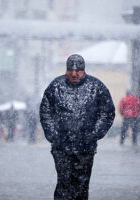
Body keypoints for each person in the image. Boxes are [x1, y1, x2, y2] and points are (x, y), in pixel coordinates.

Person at [40, 54, 115, 200]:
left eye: (78, 70)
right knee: (64, 183)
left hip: (85, 147)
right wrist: (53, 135)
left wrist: (94, 134)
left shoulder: (96, 87)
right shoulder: (56, 86)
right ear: (66, 70)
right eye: (70, 70)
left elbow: (107, 113)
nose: (74, 73)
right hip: (61, 146)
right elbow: (45, 112)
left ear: (84, 70)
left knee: (82, 184)